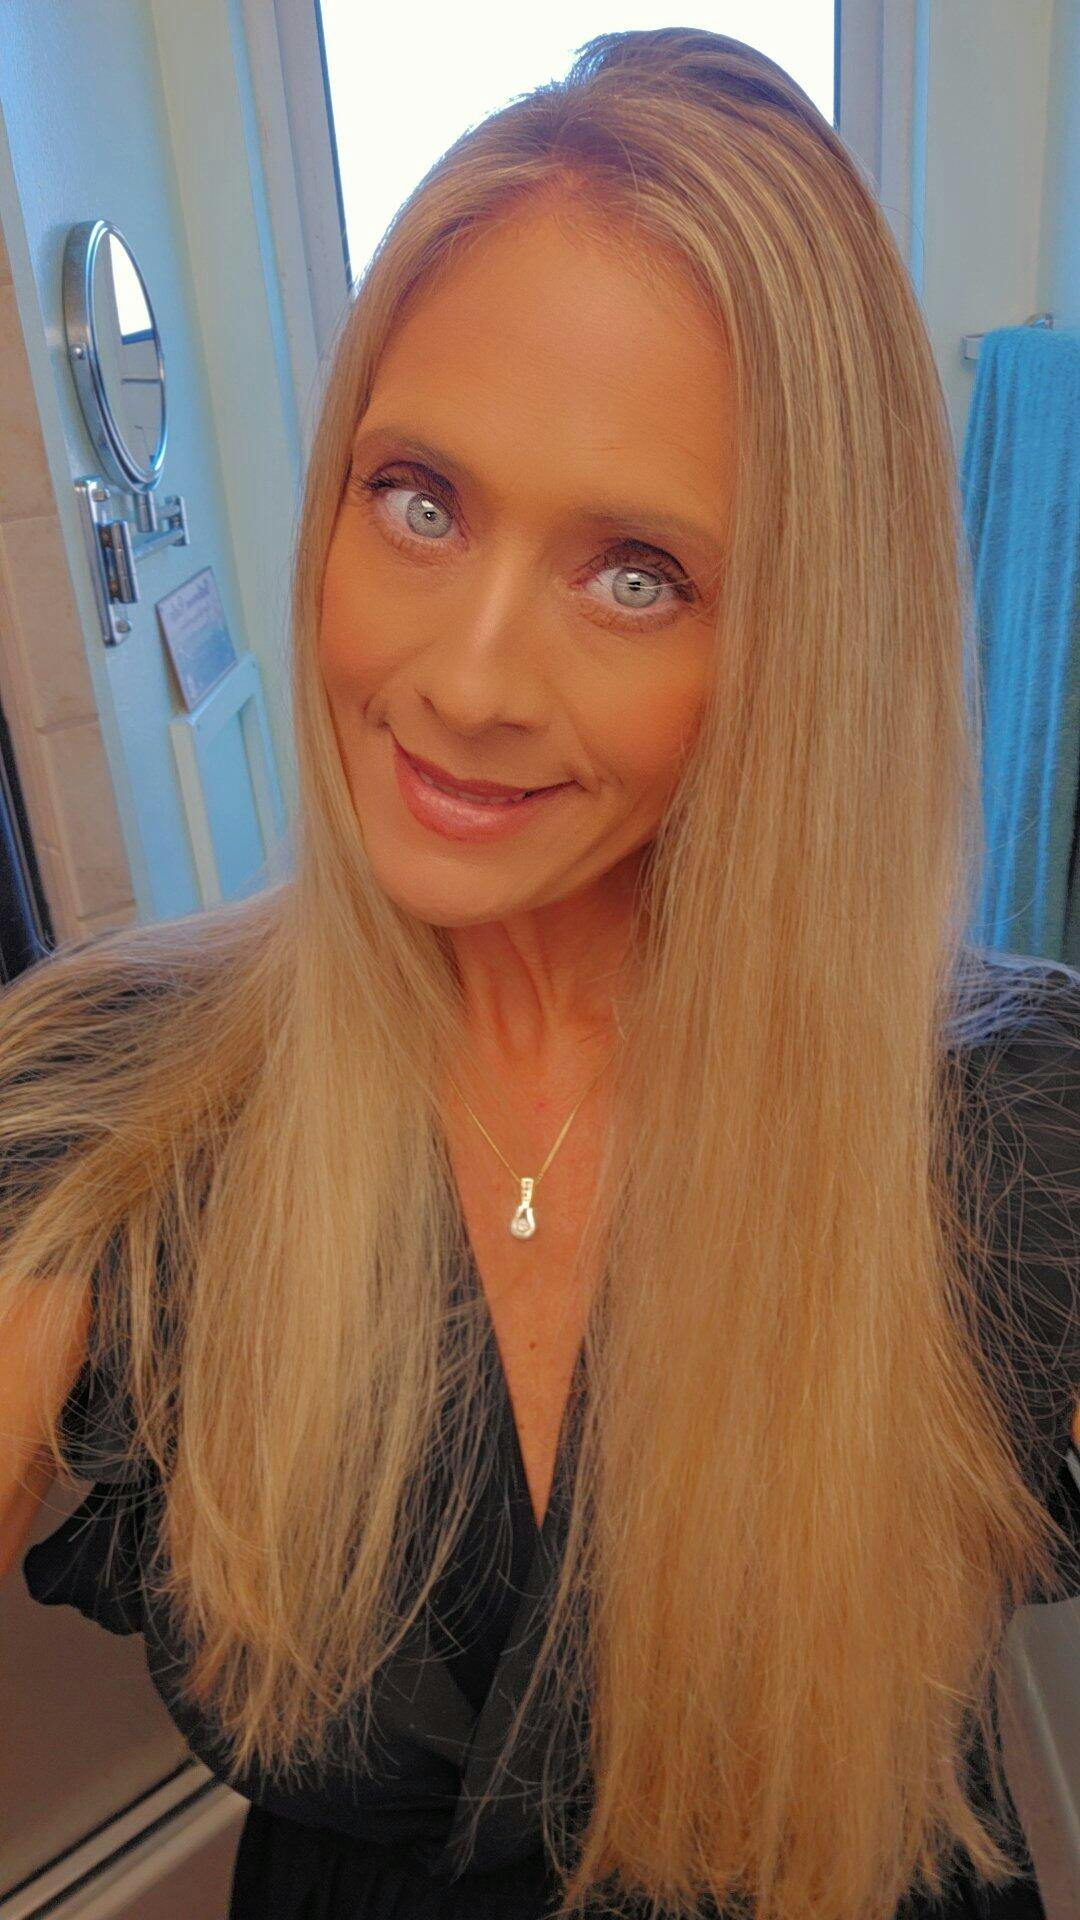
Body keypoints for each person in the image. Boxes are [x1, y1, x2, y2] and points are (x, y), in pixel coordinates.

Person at [3, 27, 1079, 1920]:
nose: (470, 677)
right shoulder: (109, 1093)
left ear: (799, 645)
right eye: (419, 499)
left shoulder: (1008, 1132)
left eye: (637, 573)